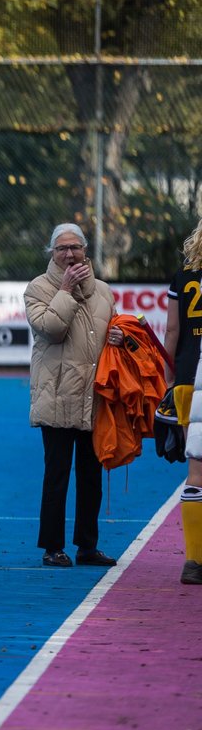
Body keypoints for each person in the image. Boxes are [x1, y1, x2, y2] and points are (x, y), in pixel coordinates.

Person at [24, 223, 122, 568]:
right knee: (57, 475)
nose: (69, 254)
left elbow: (111, 333)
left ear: (85, 250)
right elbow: (51, 330)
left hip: (93, 397)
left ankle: (87, 546)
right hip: (57, 396)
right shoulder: (37, 288)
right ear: (52, 253)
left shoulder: (104, 292)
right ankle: (52, 547)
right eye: (62, 248)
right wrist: (64, 290)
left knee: (91, 476)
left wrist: (119, 337)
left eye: (75, 248)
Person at [165, 219, 202, 585]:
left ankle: (194, 561)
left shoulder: (183, 277)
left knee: (196, 472)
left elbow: (172, 331)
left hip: (190, 379)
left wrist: (169, 378)